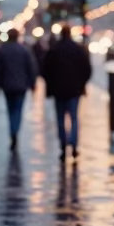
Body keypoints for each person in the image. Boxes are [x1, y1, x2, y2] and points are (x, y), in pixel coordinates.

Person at [41, 24, 92, 163]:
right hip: (74, 90)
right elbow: (87, 69)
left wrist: (51, 85)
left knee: (60, 119)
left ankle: (63, 146)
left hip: (58, 91)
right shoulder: (78, 49)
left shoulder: (54, 49)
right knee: (74, 118)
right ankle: (74, 145)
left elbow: (45, 70)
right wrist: (81, 84)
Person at [0, 29, 39, 151]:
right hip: (21, 86)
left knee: (10, 109)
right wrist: (33, 84)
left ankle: (12, 131)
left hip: (7, 86)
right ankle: (15, 131)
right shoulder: (24, 50)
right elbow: (31, 68)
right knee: (17, 110)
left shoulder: (2, 50)